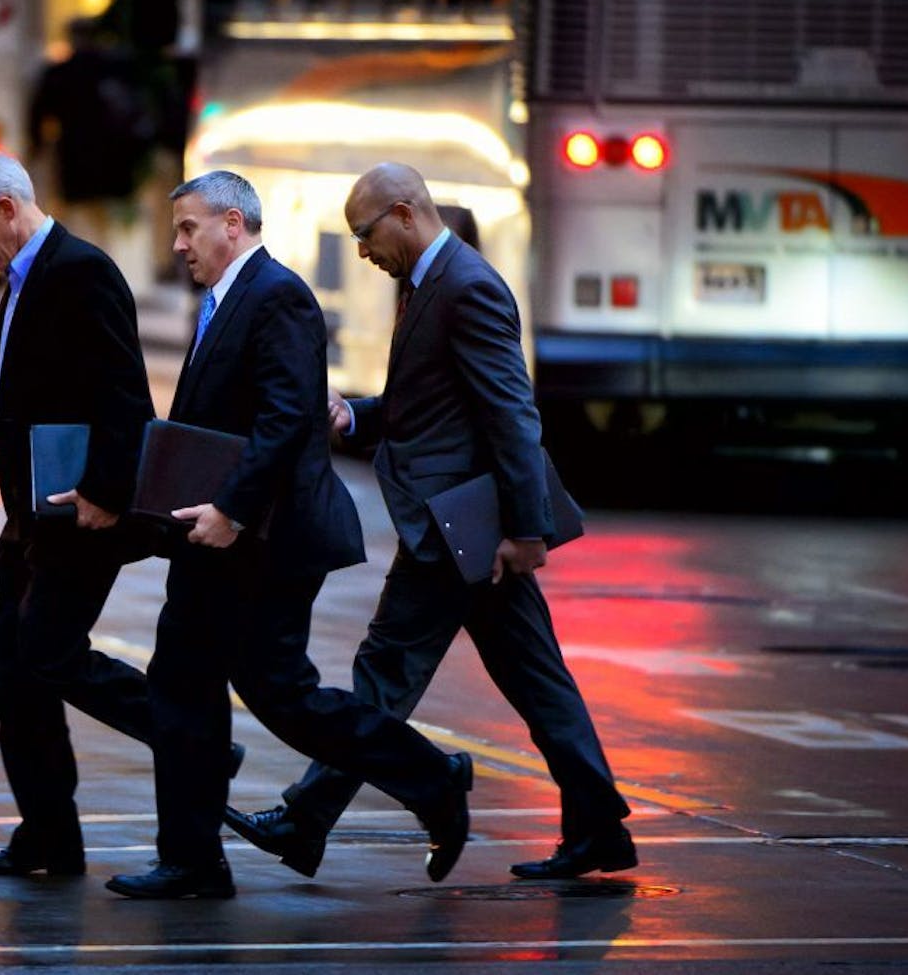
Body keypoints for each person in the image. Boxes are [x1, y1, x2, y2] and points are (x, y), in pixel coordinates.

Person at [224, 162, 637, 881]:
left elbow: (511, 414)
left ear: (406, 213)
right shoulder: (426, 284)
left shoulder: (467, 287)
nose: (361, 251)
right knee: (535, 678)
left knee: (386, 670)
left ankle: (311, 816)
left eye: (366, 232)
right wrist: (358, 414)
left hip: (462, 530)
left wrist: (528, 530)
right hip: (462, 526)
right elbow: (428, 406)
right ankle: (598, 824)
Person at [104, 170, 473, 900]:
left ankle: (433, 776)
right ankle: (192, 858)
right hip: (215, 538)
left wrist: (231, 509)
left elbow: (285, 422)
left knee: (283, 694)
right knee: (180, 683)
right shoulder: (222, 300)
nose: (178, 244)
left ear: (233, 223)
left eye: (188, 228)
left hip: (268, 539)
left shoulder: (279, 298)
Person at [0, 149, 166, 879]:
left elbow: (123, 399)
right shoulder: (23, 280)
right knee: (16, 675)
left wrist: (107, 494)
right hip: (30, 515)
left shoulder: (80, 271)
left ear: (6, 208)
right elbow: (41, 398)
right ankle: (49, 835)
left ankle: (183, 725)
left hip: (82, 512)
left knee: (48, 652)